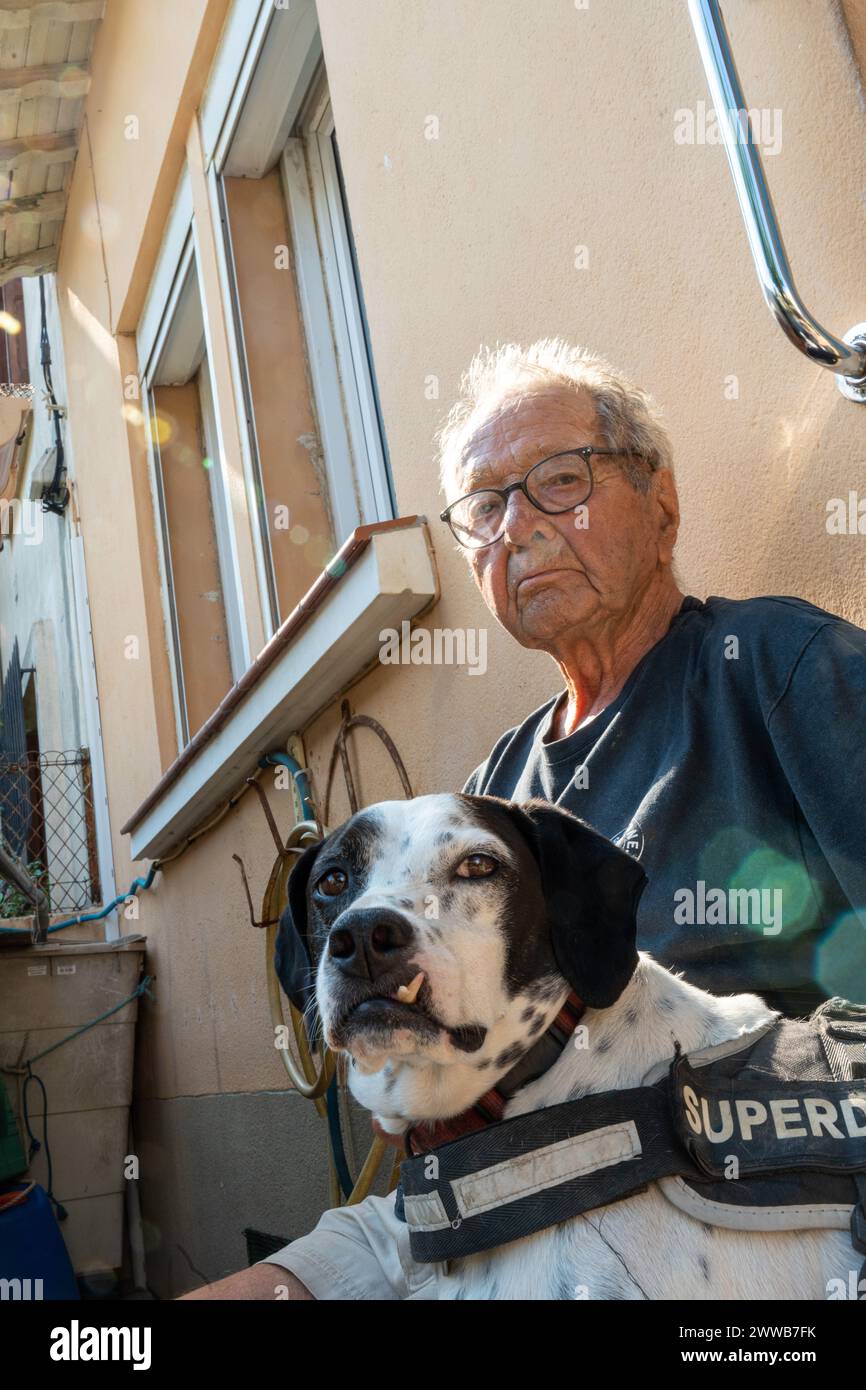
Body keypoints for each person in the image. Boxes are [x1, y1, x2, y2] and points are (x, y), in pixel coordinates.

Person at [179, 337, 866, 1299]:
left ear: (661, 506)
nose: (522, 527)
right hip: (509, 1205)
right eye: (487, 506)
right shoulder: (496, 784)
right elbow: (472, 1138)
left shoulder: (776, 669)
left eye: (560, 480)